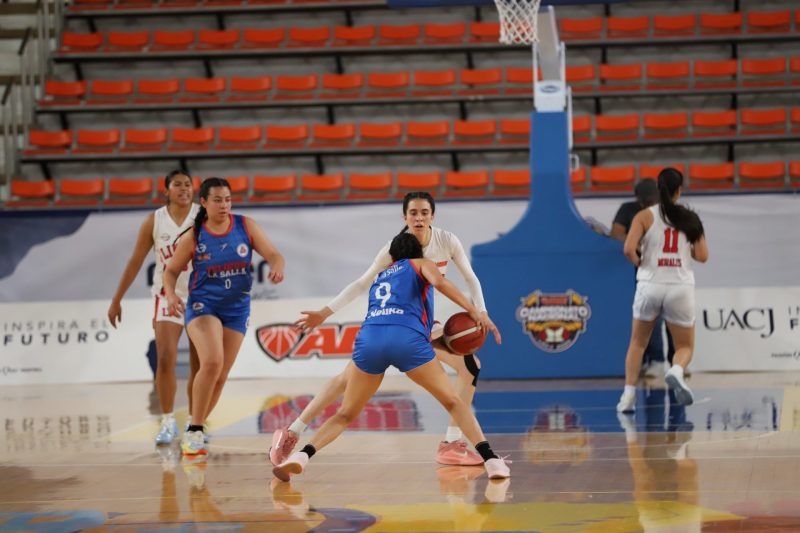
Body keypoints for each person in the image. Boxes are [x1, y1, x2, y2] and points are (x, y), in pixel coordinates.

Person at [269, 191, 501, 467]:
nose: (418, 218)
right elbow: (360, 283)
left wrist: (482, 311)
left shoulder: (446, 240)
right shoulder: (396, 248)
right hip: (403, 325)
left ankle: (451, 442)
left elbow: (470, 278)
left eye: (424, 212)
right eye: (413, 213)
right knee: (345, 379)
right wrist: (324, 312)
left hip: (417, 324)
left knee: (470, 366)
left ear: (432, 216)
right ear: (404, 217)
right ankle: (294, 430)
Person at [163, 177, 286, 457]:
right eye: (217, 200)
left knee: (220, 376)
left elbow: (274, 254)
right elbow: (170, 271)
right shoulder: (195, 236)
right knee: (212, 362)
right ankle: (195, 430)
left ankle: (196, 425)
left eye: (228, 200)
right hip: (203, 306)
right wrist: (171, 296)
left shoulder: (245, 226)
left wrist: (277, 267)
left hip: (237, 308)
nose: (224, 205)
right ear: (204, 203)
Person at [108, 170, 200, 446]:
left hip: (200, 295)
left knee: (199, 363)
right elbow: (135, 261)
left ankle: (195, 424)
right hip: (166, 295)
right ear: (166, 191)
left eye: (188, 184)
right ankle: (168, 421)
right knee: (165, 357)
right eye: (177, 185)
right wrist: (117, 299)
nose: (184, 189)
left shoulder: (203, 215)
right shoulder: (154, 220)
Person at [617, 168, 708, 413]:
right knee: (684, 347)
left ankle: (628, 397)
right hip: (680, 286)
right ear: (680, 190)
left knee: (638, 343)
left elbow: (628, 249)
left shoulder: (644, 216)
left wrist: (641, 263)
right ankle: (676, 370)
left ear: (658, 189)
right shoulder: (691, 218)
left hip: (650, 284)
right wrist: (682, 252)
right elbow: (702, 256)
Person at [611, 178, 675, 377]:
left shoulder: (669, 211)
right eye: (646, 201)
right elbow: (616, 234)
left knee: (673, 317)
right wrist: (637, 245)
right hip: (645, 272)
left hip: (669, 269)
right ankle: (656, 360)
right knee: (651, 317)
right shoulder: (629, 210)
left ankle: (677, 363)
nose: (650, 204)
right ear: (638, 199)